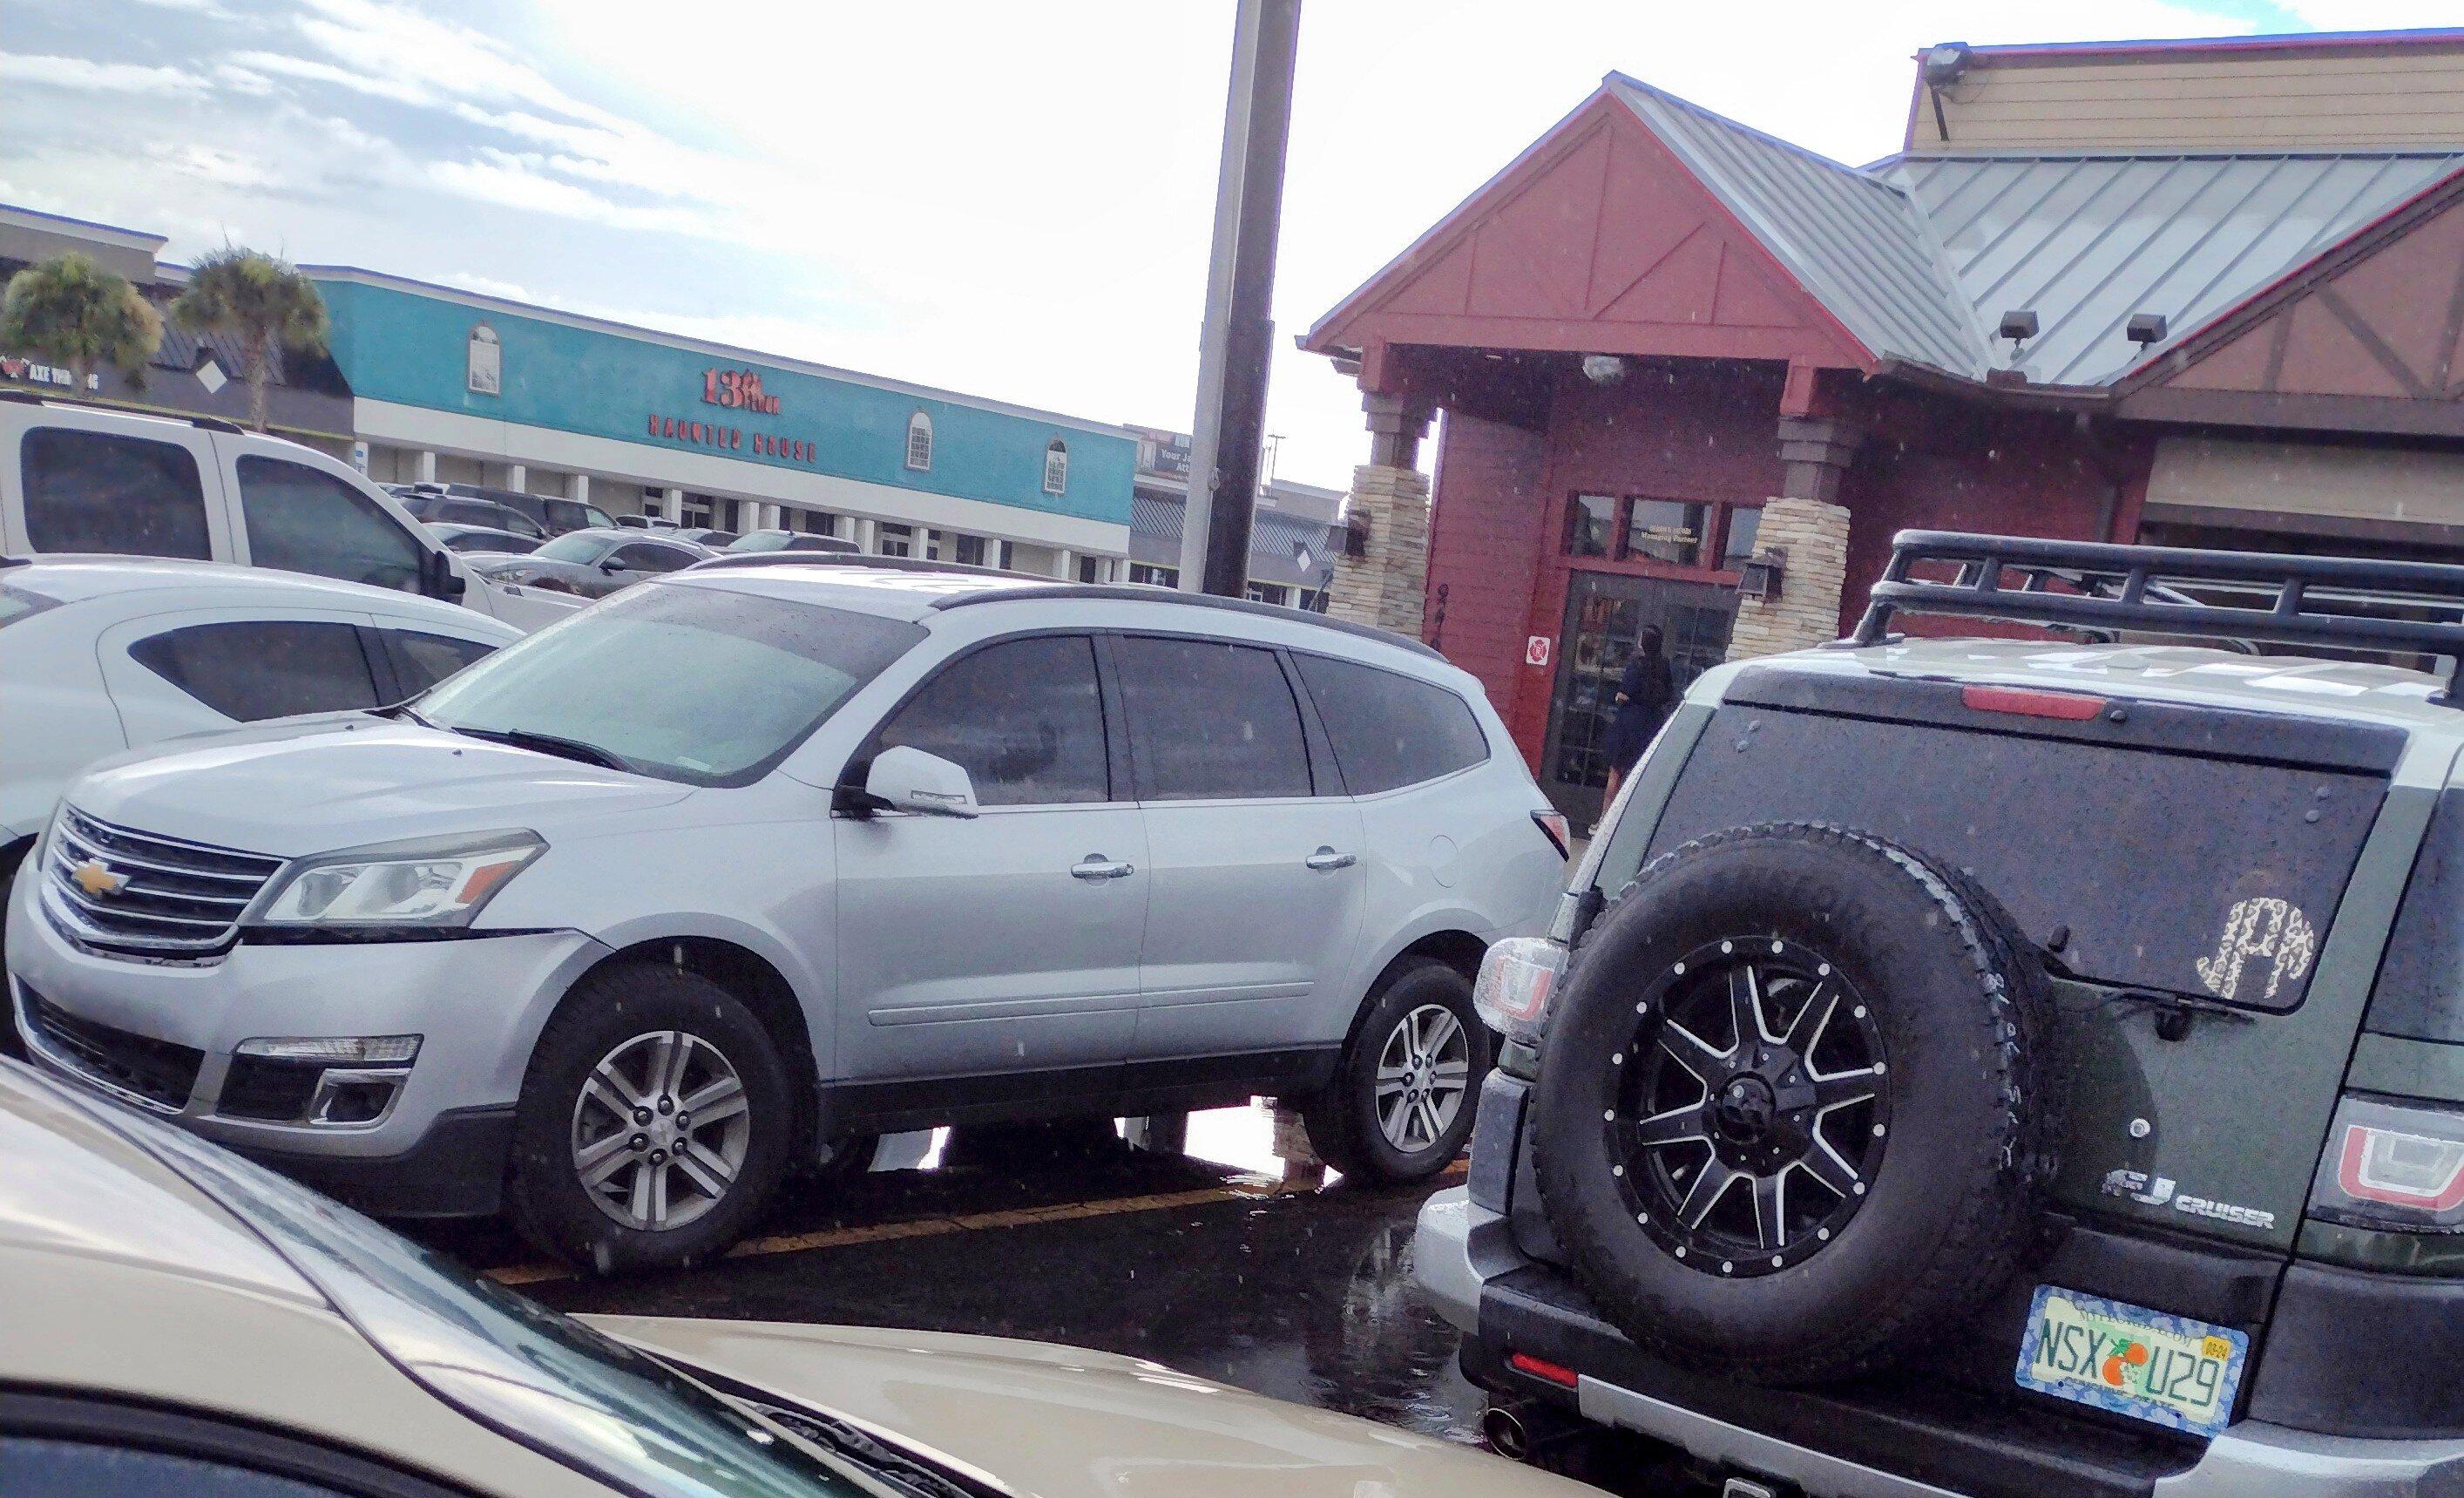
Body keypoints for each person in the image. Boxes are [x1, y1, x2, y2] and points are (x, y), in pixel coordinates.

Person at [1601, 625, 1674, 811]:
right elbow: (1668, 694)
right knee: (1640, 775)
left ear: (1644, 642)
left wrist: (1620, 697)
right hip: (1652, 723)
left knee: (1616, 771)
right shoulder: (1664, 666)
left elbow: (1626, 692)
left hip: (1630, 722)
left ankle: (1604, 819)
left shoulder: (1636, 664)